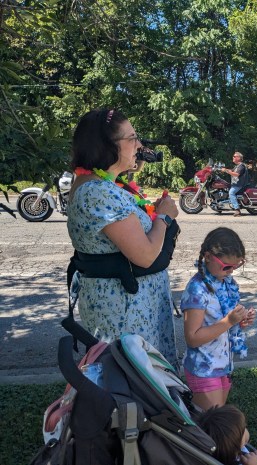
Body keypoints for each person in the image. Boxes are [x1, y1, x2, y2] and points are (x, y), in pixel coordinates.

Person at [67, 108, 179, 363]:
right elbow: (146, 255)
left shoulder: (98, 184)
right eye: (132, 138)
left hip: (127, 305)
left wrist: (129, 162)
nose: (139, 144)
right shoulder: (99, 193)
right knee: (134, 384)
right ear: (107, 146)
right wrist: (164, 216)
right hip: (125, 310)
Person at [181, 227, 256, 411]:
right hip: (204, 368)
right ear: (207, 257)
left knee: (218, 421)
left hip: (222, 365)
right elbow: (192, 337)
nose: (231, 271)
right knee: (211, 428)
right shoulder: (197, 289)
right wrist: (228, 321)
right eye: (226, 266)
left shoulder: (225, 283)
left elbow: (223, 327)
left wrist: (240, 322)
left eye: (236, 266)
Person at [222, 151, 249, 217]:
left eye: (234, 156)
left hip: (239, 184)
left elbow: (236, 174)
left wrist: (226, 170)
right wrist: (221, 169)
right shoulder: (237, 166)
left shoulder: (241, 166)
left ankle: (237, 210)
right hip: (236, 184)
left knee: (231, 193)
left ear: (239, 158)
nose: (233, 157)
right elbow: (231, 171)